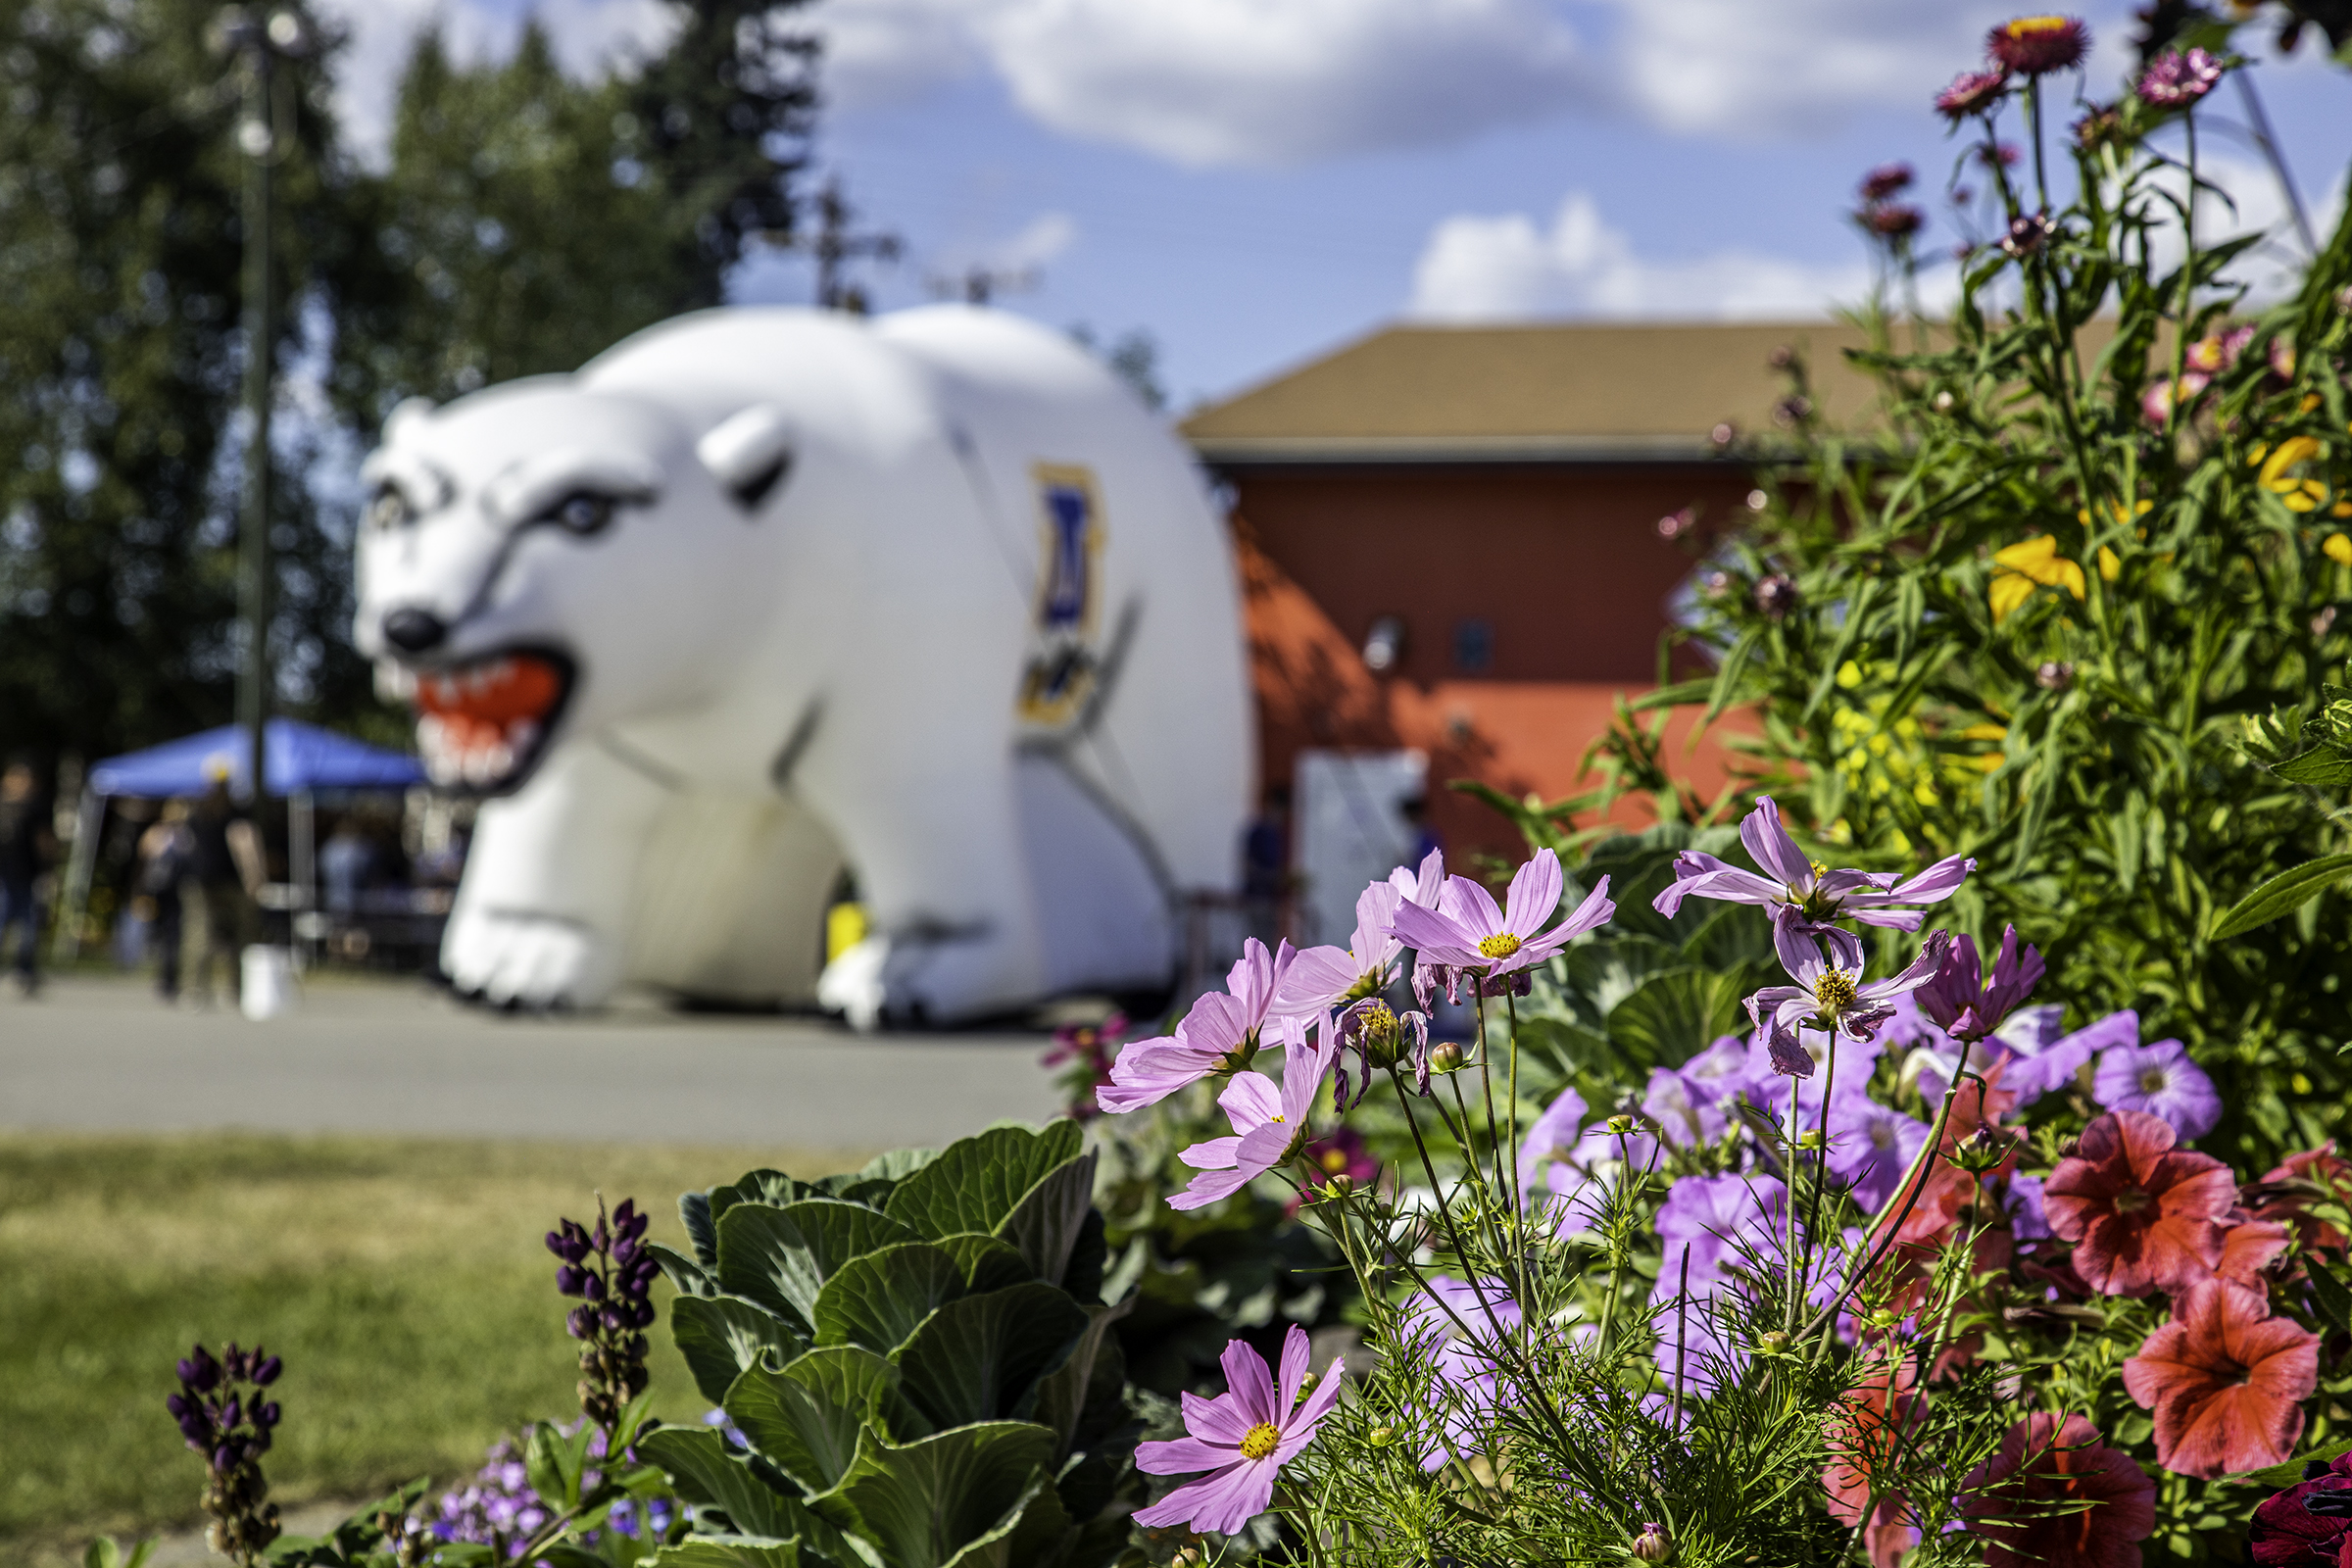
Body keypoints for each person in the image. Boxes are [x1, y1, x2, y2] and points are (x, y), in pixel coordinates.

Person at [188, 773, 265, 1005]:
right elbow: (245, 844)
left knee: (212, 934)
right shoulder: (223, 812)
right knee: (225, 934)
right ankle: (219, 988)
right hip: (217, 881)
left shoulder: (203, 812)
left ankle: (208, 988)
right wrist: (255, 877)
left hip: (215, 881)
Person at [0, 760, 55, 995]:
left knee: (28, 928)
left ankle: (25, 971)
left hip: (27, 876)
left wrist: (49, 870)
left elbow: (44, 842)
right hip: (2, 877)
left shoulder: (36, 809)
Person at [134, 801, 196, 1002]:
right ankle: (167, 976)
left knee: (169, 936)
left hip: (169, 892)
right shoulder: (181, 836)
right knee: (167, 935)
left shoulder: (164, 834)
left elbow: (142, 855)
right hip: (164, 892)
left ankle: (168, 977)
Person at [1241, 783, 1292, 946]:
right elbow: (1248, 867)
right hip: (1257, 897)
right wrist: (1273, 877)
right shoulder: (1258, 832)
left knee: (1269, 941)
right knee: (1256, 942)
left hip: (1271, 898)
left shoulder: (1277, 834)